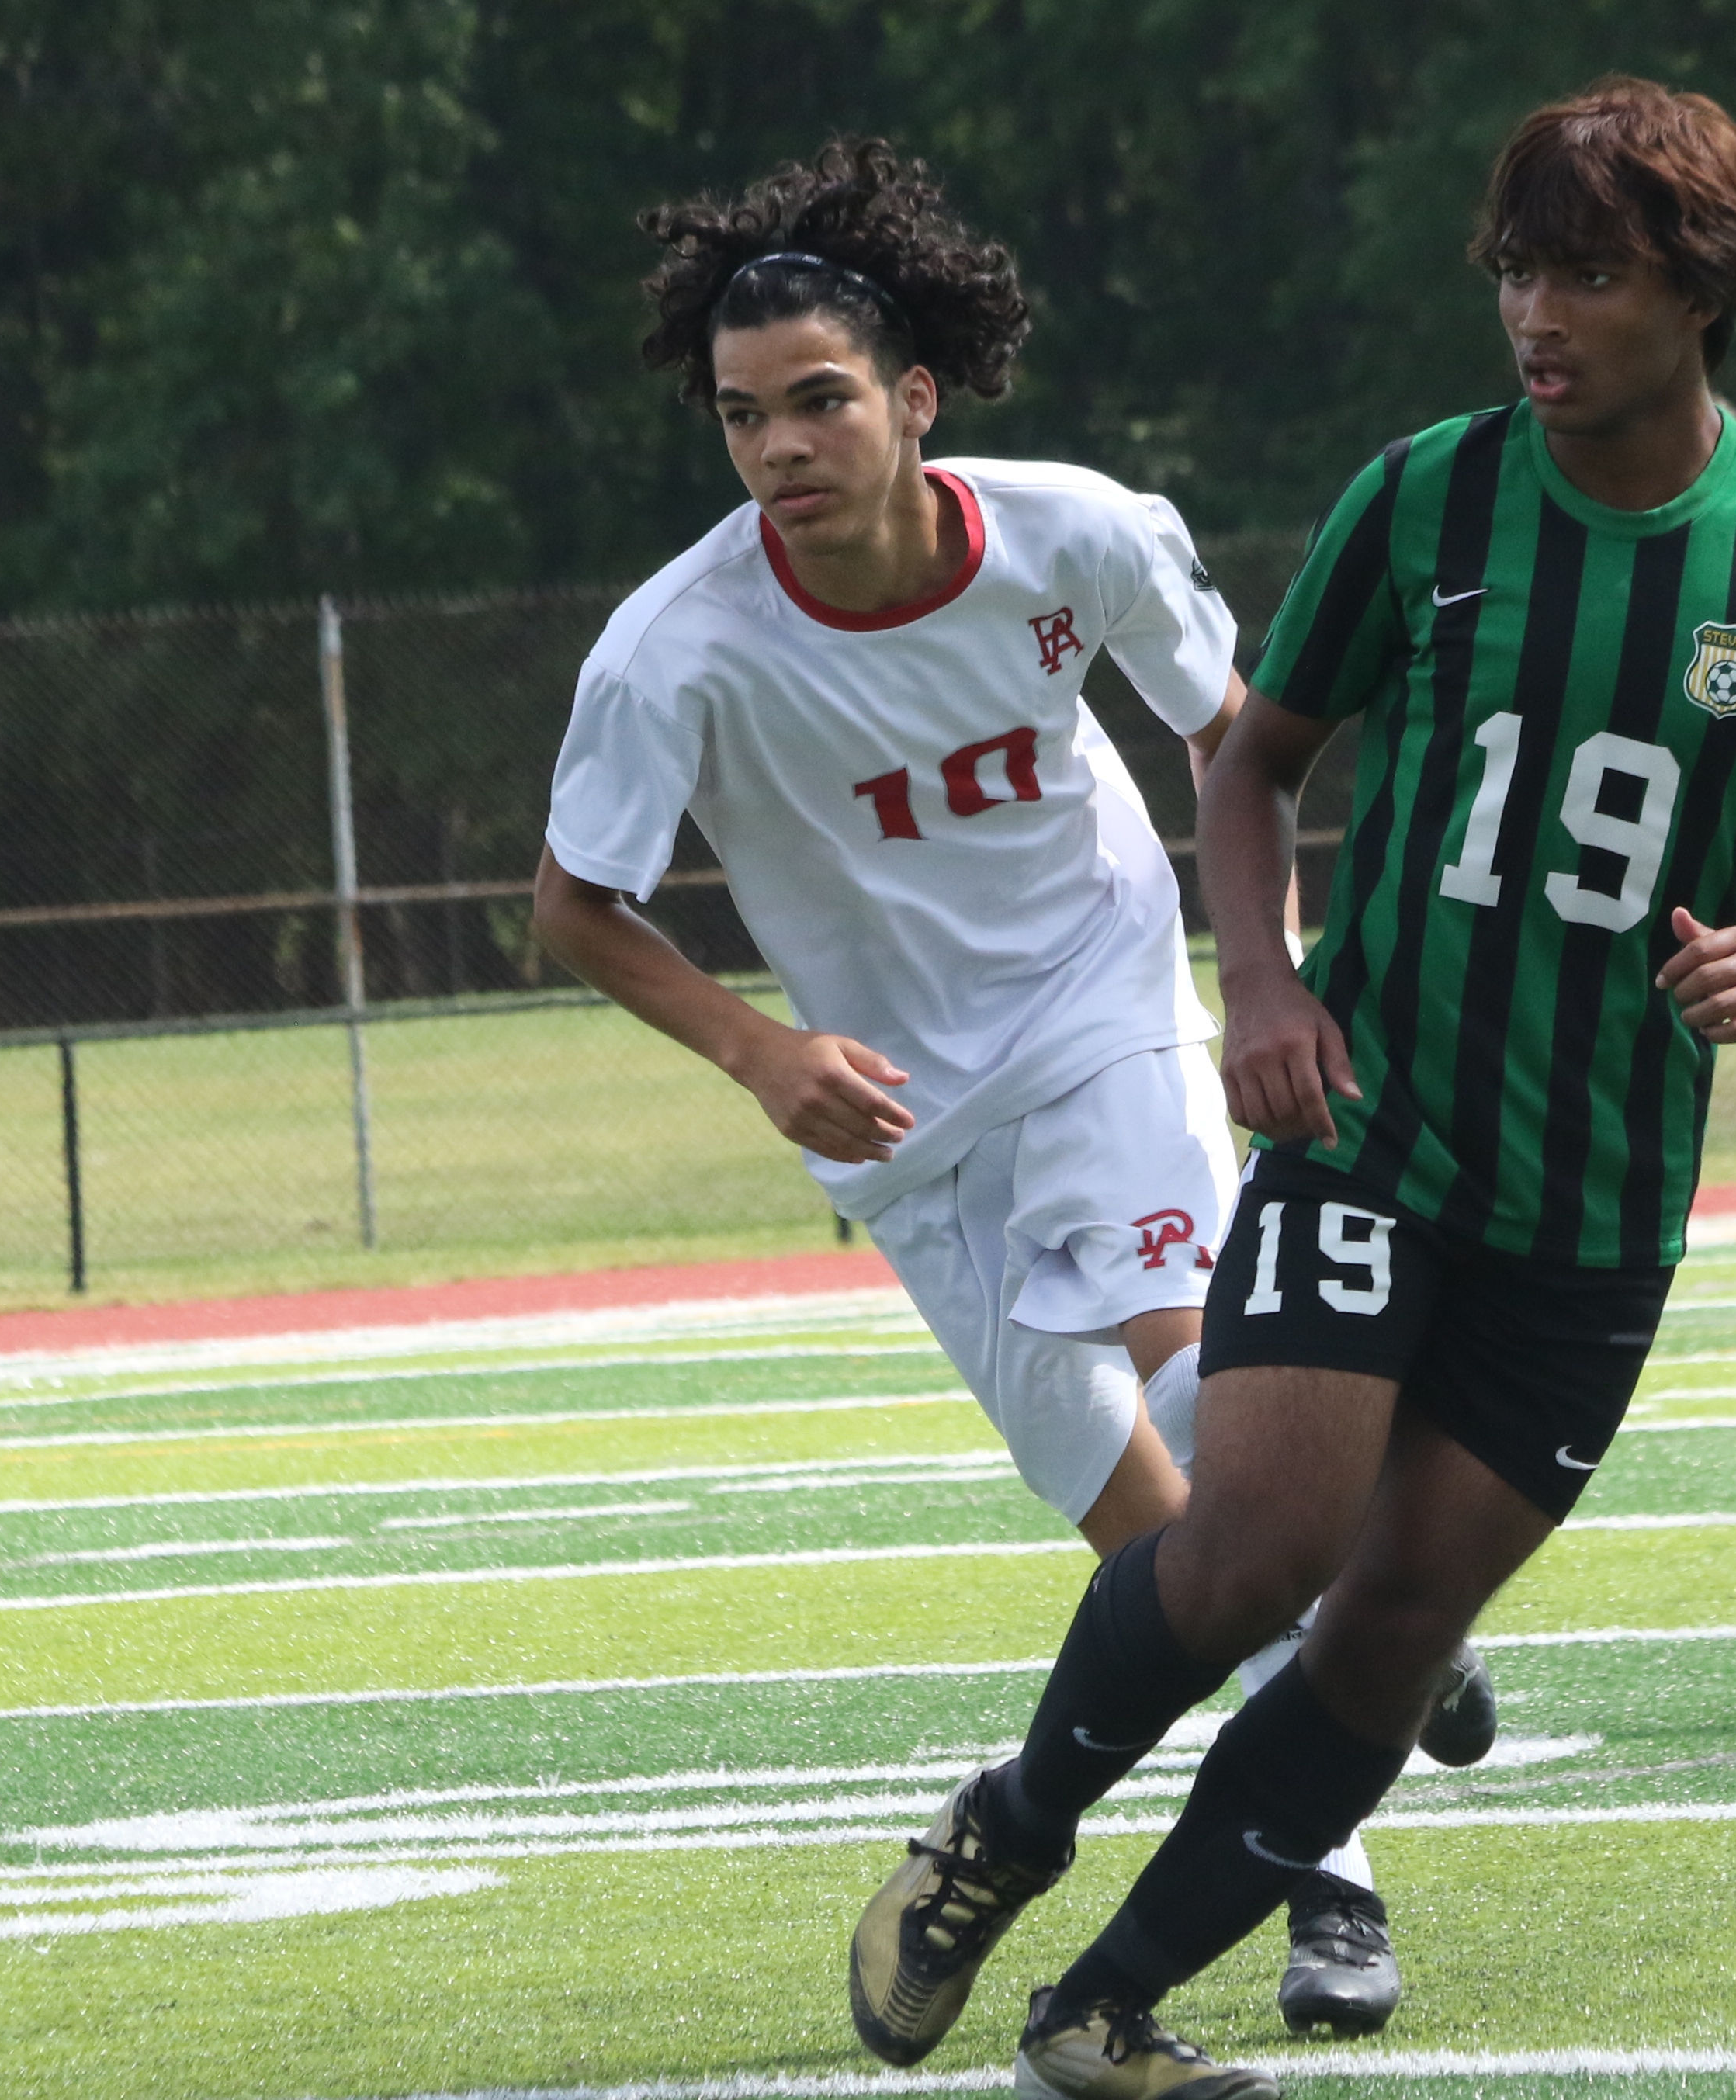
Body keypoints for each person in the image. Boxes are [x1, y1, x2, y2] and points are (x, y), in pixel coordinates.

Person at [845, 77, 1736, 2098]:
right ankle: (1005, 1830)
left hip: (1596, 1201)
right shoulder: (1424, 495)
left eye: (1584, 276)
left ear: (1698, 289)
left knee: (1399, 1625)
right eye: (1515, 270)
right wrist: (1261, 983)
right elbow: (1253, 759)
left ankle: (1101, 2009)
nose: (1534, 315)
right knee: (1257, 1543)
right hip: (1374, 1131)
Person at [529, 137, 1471, 2053]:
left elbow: (1231, 739)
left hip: (1100, 1000)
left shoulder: (1079, 535)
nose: (777, 447)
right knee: (1140, 1528)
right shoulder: (671, 650)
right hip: (903, 1119)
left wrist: (1259, 977)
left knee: (1195, 1367)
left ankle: (1332, 1869)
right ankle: (1361, 1654)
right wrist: (763, 1051)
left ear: (915, 397)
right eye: (740, 416)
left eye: (817, 400)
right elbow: (572, 905)